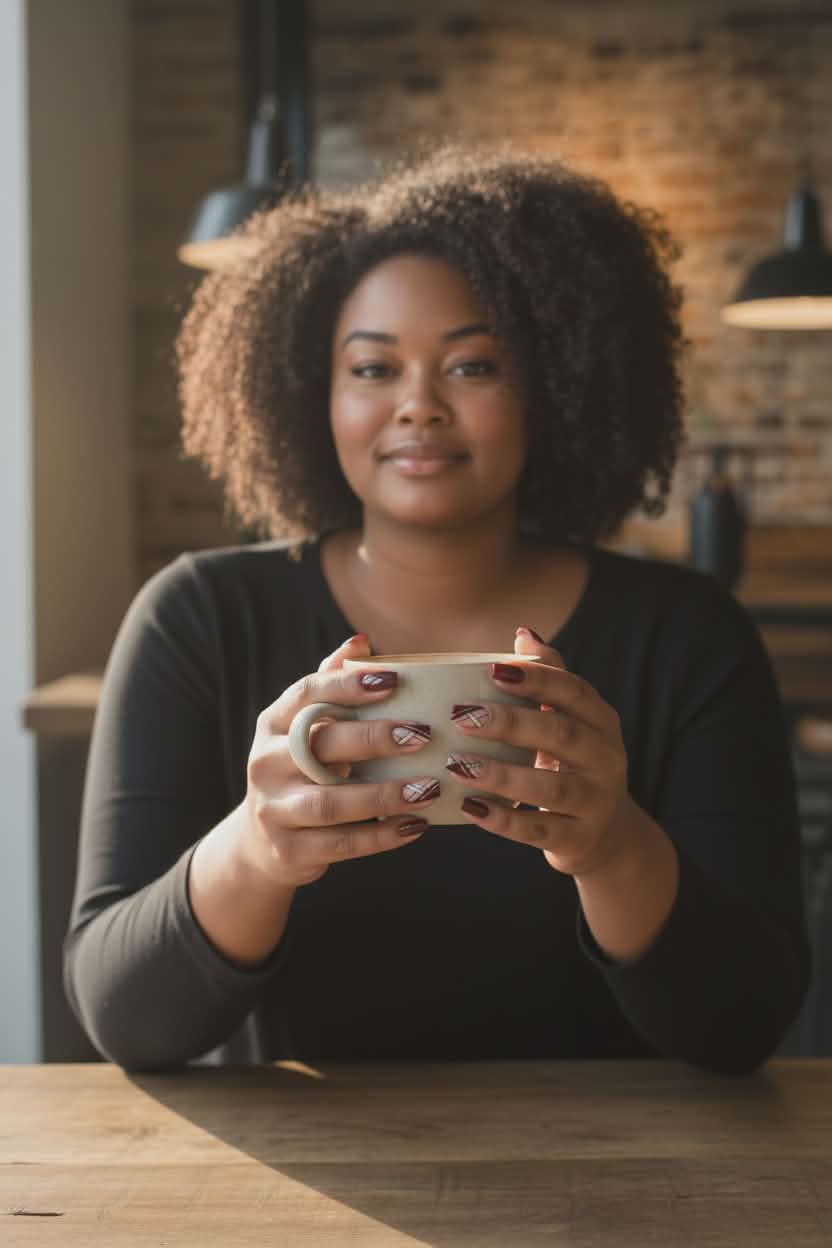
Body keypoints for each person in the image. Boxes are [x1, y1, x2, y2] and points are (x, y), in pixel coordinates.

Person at [64, 146, 809, 1074]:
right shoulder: (199, 619)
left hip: (616, 1165)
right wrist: (256, 848)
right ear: (312, 392)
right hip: (306, 1167)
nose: (418, 406)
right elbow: (125, 1018)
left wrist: (614, 848)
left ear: (556, 385)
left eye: (473, 365)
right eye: (373, 368)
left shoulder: (687, 636)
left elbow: (745, 1023)